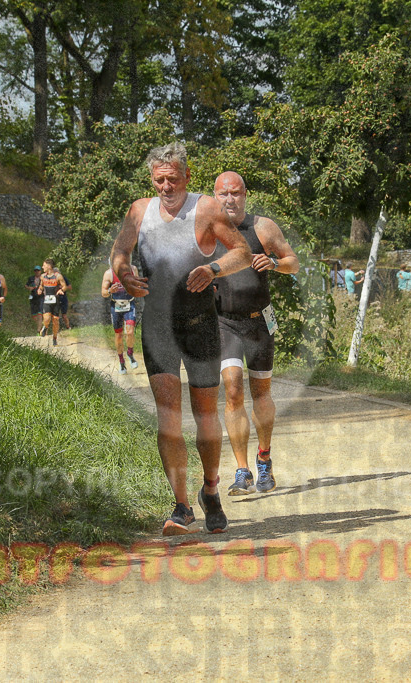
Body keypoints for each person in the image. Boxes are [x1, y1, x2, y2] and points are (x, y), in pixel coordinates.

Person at [110, 142, 251, 536]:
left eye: (173, 178)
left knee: (205, 414)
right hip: (157, 324)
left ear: (187, 177)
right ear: (152, 180)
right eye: (159, 180)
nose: (166, 186)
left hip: (201, 322)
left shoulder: (206, 208)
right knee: (168, 417)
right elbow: (119, 252)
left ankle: (210, 491)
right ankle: (182, 506)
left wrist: (214, 269)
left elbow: (240, 250)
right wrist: (124, 273)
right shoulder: (139, 211)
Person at [212, 171, 299, 496]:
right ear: (215, 196)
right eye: (223, 194)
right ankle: (241, 470)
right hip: (225, 322)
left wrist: (275, 264)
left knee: (261, 394)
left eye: (236, 193)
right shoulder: (207, 232)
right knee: (233, 390)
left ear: (245, 195)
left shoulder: (263, 227)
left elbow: (294, 262)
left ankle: (264, 458)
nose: (230, 199)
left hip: (260, 321)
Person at [101, 263, 140, 373]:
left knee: (130, 331)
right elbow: (103, 293)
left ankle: (130, 354)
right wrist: (109, 291)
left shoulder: (133, 269)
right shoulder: (109, 273)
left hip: (129, 304)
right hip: (116, 306)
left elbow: (137, 285)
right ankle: (121, 362)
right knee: (118, 335)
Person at [38, 259, 68, 347]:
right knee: (46, 318)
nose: (42, 267)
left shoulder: (58, 276)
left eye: (44, 265)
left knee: (55, 321)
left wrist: (61, 290)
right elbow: (41, 286)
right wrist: (40, 290)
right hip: (47, 301)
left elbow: (65, 286)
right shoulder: (43, 276)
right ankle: (45, 327)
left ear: (49, 266)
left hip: (56, 301)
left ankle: (54, 338)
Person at [26, 265, 46, 335]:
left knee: (40, 313)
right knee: (34, 315)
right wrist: (29, 288)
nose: (37, 272)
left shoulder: (43, 278)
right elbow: (26, 285)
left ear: (40, 271)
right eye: (35, 271)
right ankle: (42, 324)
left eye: (38, 270)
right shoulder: (31, 278)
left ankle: (38, 330)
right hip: (33, 297)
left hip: (41, 297)